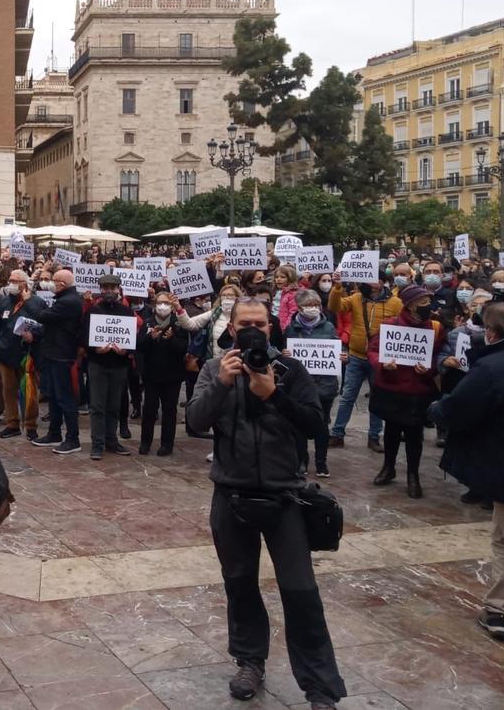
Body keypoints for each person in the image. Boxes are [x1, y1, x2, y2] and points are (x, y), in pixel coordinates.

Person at [187, 299, 345, 709]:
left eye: (260, 323)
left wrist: (274, 394)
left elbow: (314, 426)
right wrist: (222, 383)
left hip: (284, 495)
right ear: (232, 328)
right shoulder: (214, 368)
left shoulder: (292, 372)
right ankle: (249, 661)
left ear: (271, 326)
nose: (253, 329)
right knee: (239, 584)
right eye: (245, 324)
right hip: (232, 493)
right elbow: (195, 422)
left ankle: (320, 686)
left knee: (300, 590)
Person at [429, 303, 504, 642]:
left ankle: (500, 609)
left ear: (492, 333)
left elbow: (457, 410)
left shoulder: (493, 367)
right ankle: (499, 610)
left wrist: (437, 408)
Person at [367, 284, 446, 499]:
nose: (428, 306)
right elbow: (373, 351)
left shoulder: (436, 328)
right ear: (410, 305)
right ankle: (388, 467)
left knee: (414, 435)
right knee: (391, 431)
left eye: (429, 302)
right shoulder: (389, 325)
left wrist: (429, 368)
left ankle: (413, 476)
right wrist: (384, 363)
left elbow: (439, 355)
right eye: (422, 302)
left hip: (418, 389)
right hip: (391, 387)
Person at [327, 268, 401, 452]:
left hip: (379, 359)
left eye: (374, 278)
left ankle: (374, 436)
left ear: (383, 282)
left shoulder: (396, 303)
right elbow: (335, 307)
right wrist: (337, 287)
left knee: (376, 399)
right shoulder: (356, 298)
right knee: (347, 397)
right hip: (356, 356)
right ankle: (337, 434)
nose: (369, 282)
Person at [283, 289, 340, 478]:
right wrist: (286, 356)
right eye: (308, 305)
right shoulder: (290, 329)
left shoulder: (329, 327)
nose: (313, 309)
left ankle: (322, 463)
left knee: (322, 425)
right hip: (301, 386)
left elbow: (336, 349)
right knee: (299, 424)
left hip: (324, 384)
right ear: (299, 308)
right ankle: (302, 461)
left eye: (316, 305)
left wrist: (342, 356)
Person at [81, 274, 136, 461]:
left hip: (119, 365)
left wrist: (126, 350)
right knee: (97, 406)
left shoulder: (127, 312)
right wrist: (96, 349)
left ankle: (112, 441)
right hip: (98, 364)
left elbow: (131, 337)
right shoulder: (93, 311)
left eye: (113, 288)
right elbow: (84, 336)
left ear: (119, 290)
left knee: (114, 405)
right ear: (100, 289)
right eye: (105, 288)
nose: (109, 291)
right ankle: (97, 444)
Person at [32, 269, 83, 454]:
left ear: (62, 284)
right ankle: (54, 433)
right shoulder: (64, 299)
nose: (51, 284)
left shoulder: (69, 301)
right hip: (53, 353)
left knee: (65, 398)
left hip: (63, 355)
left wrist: (32, 301)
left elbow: (43, 316)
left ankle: (73, 438)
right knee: (53, 396)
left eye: (53, 281)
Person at [0, 269, 44, 440]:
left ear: (24, 284)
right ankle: (12, 424)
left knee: (30, 391)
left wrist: (34, 336)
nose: (12, 284)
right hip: (6, 354)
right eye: (11, 280)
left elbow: (43, 324)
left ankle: (30, 425)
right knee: (8, 390)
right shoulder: (2, 302)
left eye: (16, 281)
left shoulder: (37, 302)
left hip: (28, 354)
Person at [137, 291, 188, 456]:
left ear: (172, 307)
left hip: (172, 376)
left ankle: (167, 444)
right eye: (159, 302)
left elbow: (182, 349)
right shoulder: (148, 322)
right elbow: (139, 346)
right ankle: (145, 442)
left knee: (169, 411)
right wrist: (151, 337)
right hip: (151, 375)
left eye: (166, 303)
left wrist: (171, 339)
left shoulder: (178, 324)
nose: (162, 306)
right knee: (149, 410)